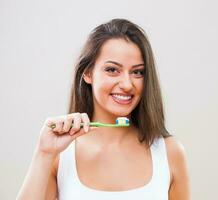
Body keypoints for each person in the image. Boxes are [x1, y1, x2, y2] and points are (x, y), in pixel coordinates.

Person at [17, 18, 190, 200]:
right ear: (88, 73)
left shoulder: (170, 152)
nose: (127, 84)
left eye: (137, 72)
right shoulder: (59, 156)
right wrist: (44, 153)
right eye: (112, 70)